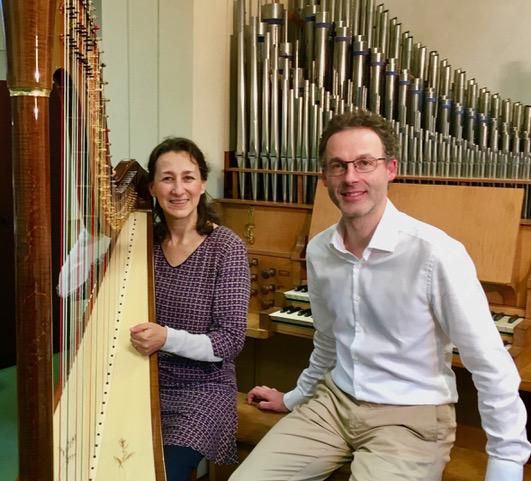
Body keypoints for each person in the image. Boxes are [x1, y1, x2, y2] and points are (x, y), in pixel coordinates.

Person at [229, 111, 531, 481]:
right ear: (324, 178)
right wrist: (293, 398)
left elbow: (489, 363)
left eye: (364, 163)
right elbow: (327, 342)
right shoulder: (322, 250)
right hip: (334, 403)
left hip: (411, 416)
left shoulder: (436, 253)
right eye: (338, 166)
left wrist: (505, 464)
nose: (350, 177)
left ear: (390, 168)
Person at [130, 137, 250, 481]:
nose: (178, 188)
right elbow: (69, 288)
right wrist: (92, 230)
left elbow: (229, 342)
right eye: (168, 178)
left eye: (188, 177)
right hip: (143, 382)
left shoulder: (226, 247)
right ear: (153, 187)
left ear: (202, 184)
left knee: (159, 473)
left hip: (203, 392)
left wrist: (166, 338)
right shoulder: (142, 242)